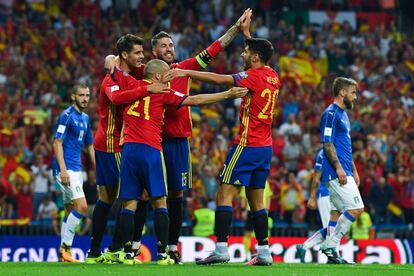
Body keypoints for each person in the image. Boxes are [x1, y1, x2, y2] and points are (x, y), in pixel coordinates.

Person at [105, 8, 253, 264]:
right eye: (164, 45)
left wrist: (237, 29)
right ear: (155, 53)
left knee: (175, 195)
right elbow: (117, 62)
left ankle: (171, 248)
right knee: (142, 196)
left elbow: (214, 49)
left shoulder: (184, 68)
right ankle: (134, 246)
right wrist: (111, 58)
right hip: (154, 141)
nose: (170, 48)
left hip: (177, 143)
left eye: (171, 44)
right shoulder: (146, 73)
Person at [165, 37, 280, 266]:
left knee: (224, 192)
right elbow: (259, 52)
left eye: (246, 51)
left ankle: (221, 249)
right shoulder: (273, 76)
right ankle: (264, 251)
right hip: (266, 147)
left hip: (247, 145)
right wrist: (248, 34)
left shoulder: (252, 77)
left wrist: (185, 73)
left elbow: (219, 79)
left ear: (255, 57)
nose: (242, 55)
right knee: (256, 199)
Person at [86, 34, 169, 264]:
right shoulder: (110, 80)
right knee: (131, 197)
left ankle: (97, 252)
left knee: (108, 198)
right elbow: (117, 98)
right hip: (113, 145)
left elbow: (153, 70)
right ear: (124, 55)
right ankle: (117, 249)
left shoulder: (131, 73)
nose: (142, 58)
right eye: (137, 53)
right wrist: (148, 90)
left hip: (119, 143)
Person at [318, 77, 364, 264]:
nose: (356, 97)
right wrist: (338, 168)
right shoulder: (331, 114)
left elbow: (344, 146)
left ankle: (332, 255)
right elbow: (327, 143)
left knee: (336, 213)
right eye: (353, 92)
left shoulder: (344, 114)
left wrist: (353, 169)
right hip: (336, 173)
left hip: (345, 170)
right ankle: (330, 244)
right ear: (342, 92)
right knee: (356, 208)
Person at [52, 84, 95, 262]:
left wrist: (97, 169)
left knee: (70, 209)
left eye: (87, 95)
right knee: (82, 206)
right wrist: (63, 169)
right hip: (66, 168)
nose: (85, 98)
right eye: (81, 95)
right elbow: (57, 142)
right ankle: (65, 248)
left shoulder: (85, 118)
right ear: (73, 97)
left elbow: (90, 146)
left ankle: (63, 255)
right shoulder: (66, 116)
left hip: (77, 169)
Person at [295, 149, 341, 263]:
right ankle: (334, 255)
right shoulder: (324, 153)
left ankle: (305, 246)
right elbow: (316, 177)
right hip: (326, 192)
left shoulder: (333, 150)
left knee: (333, 227)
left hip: (335, 193)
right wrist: (312, 196)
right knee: (331, 227)